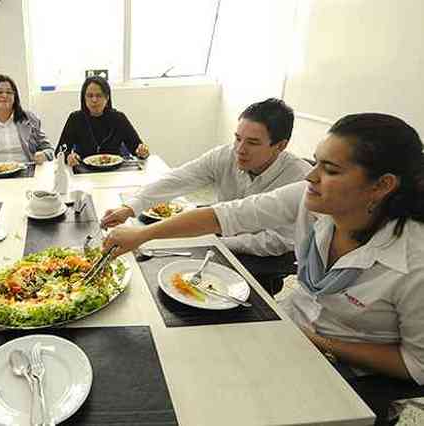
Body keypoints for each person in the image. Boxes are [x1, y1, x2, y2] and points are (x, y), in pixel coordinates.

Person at [104, 113, 424, 384]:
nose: (311, 175)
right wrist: (143, 236)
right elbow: (226, 214)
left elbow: (416, 365)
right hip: (288, 330)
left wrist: (320, 343)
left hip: (352, 373)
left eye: (330, 170)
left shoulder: (415, 264)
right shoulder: (307, 197)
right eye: (316, 162)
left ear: (383, 185)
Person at [101, 98, 310, 295]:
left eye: (253, 143)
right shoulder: (225, 155)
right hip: (219, 233)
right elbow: (179, 178)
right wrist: (131, 207)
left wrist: (215, 240)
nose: (240, 149)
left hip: (262, 255)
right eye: (237, 138)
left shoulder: (299, 178)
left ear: (281, 146)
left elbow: (277, 241)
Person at [56, 76, 150, 167]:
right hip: (84, 173)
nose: (94, 100)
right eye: (90, 96)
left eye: (99, 95)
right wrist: (68, 156)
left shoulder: (119, 118)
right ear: (84, 98)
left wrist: (142, 151)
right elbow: (60, 151)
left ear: (107, 97)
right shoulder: (75, 118)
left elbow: (137, 147)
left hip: (114, 172)